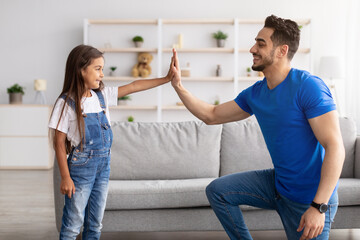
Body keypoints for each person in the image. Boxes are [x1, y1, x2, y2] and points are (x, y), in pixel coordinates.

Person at [169, 15, 345, 240]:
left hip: (310, 198)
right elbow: (211, 115)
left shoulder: (308, 87)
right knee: (218, 191)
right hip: (279, 187)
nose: (253, 48)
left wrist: (318, 207)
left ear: (282, 51)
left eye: (261, 43)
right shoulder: (256, 94)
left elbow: (335, 147)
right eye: (255, 42)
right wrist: (179, 86)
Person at [49, 44, 174, 240]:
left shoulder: (102, 96)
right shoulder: (66, 102)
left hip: (103, 166)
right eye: (97, 69)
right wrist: (65, 177)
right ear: (81, 70)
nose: (102, 74)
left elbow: (134, 86)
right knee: (73, 224)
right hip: (81, 168)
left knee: (95, 223)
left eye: (102, 69)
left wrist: (166, 79)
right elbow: (58, 142)